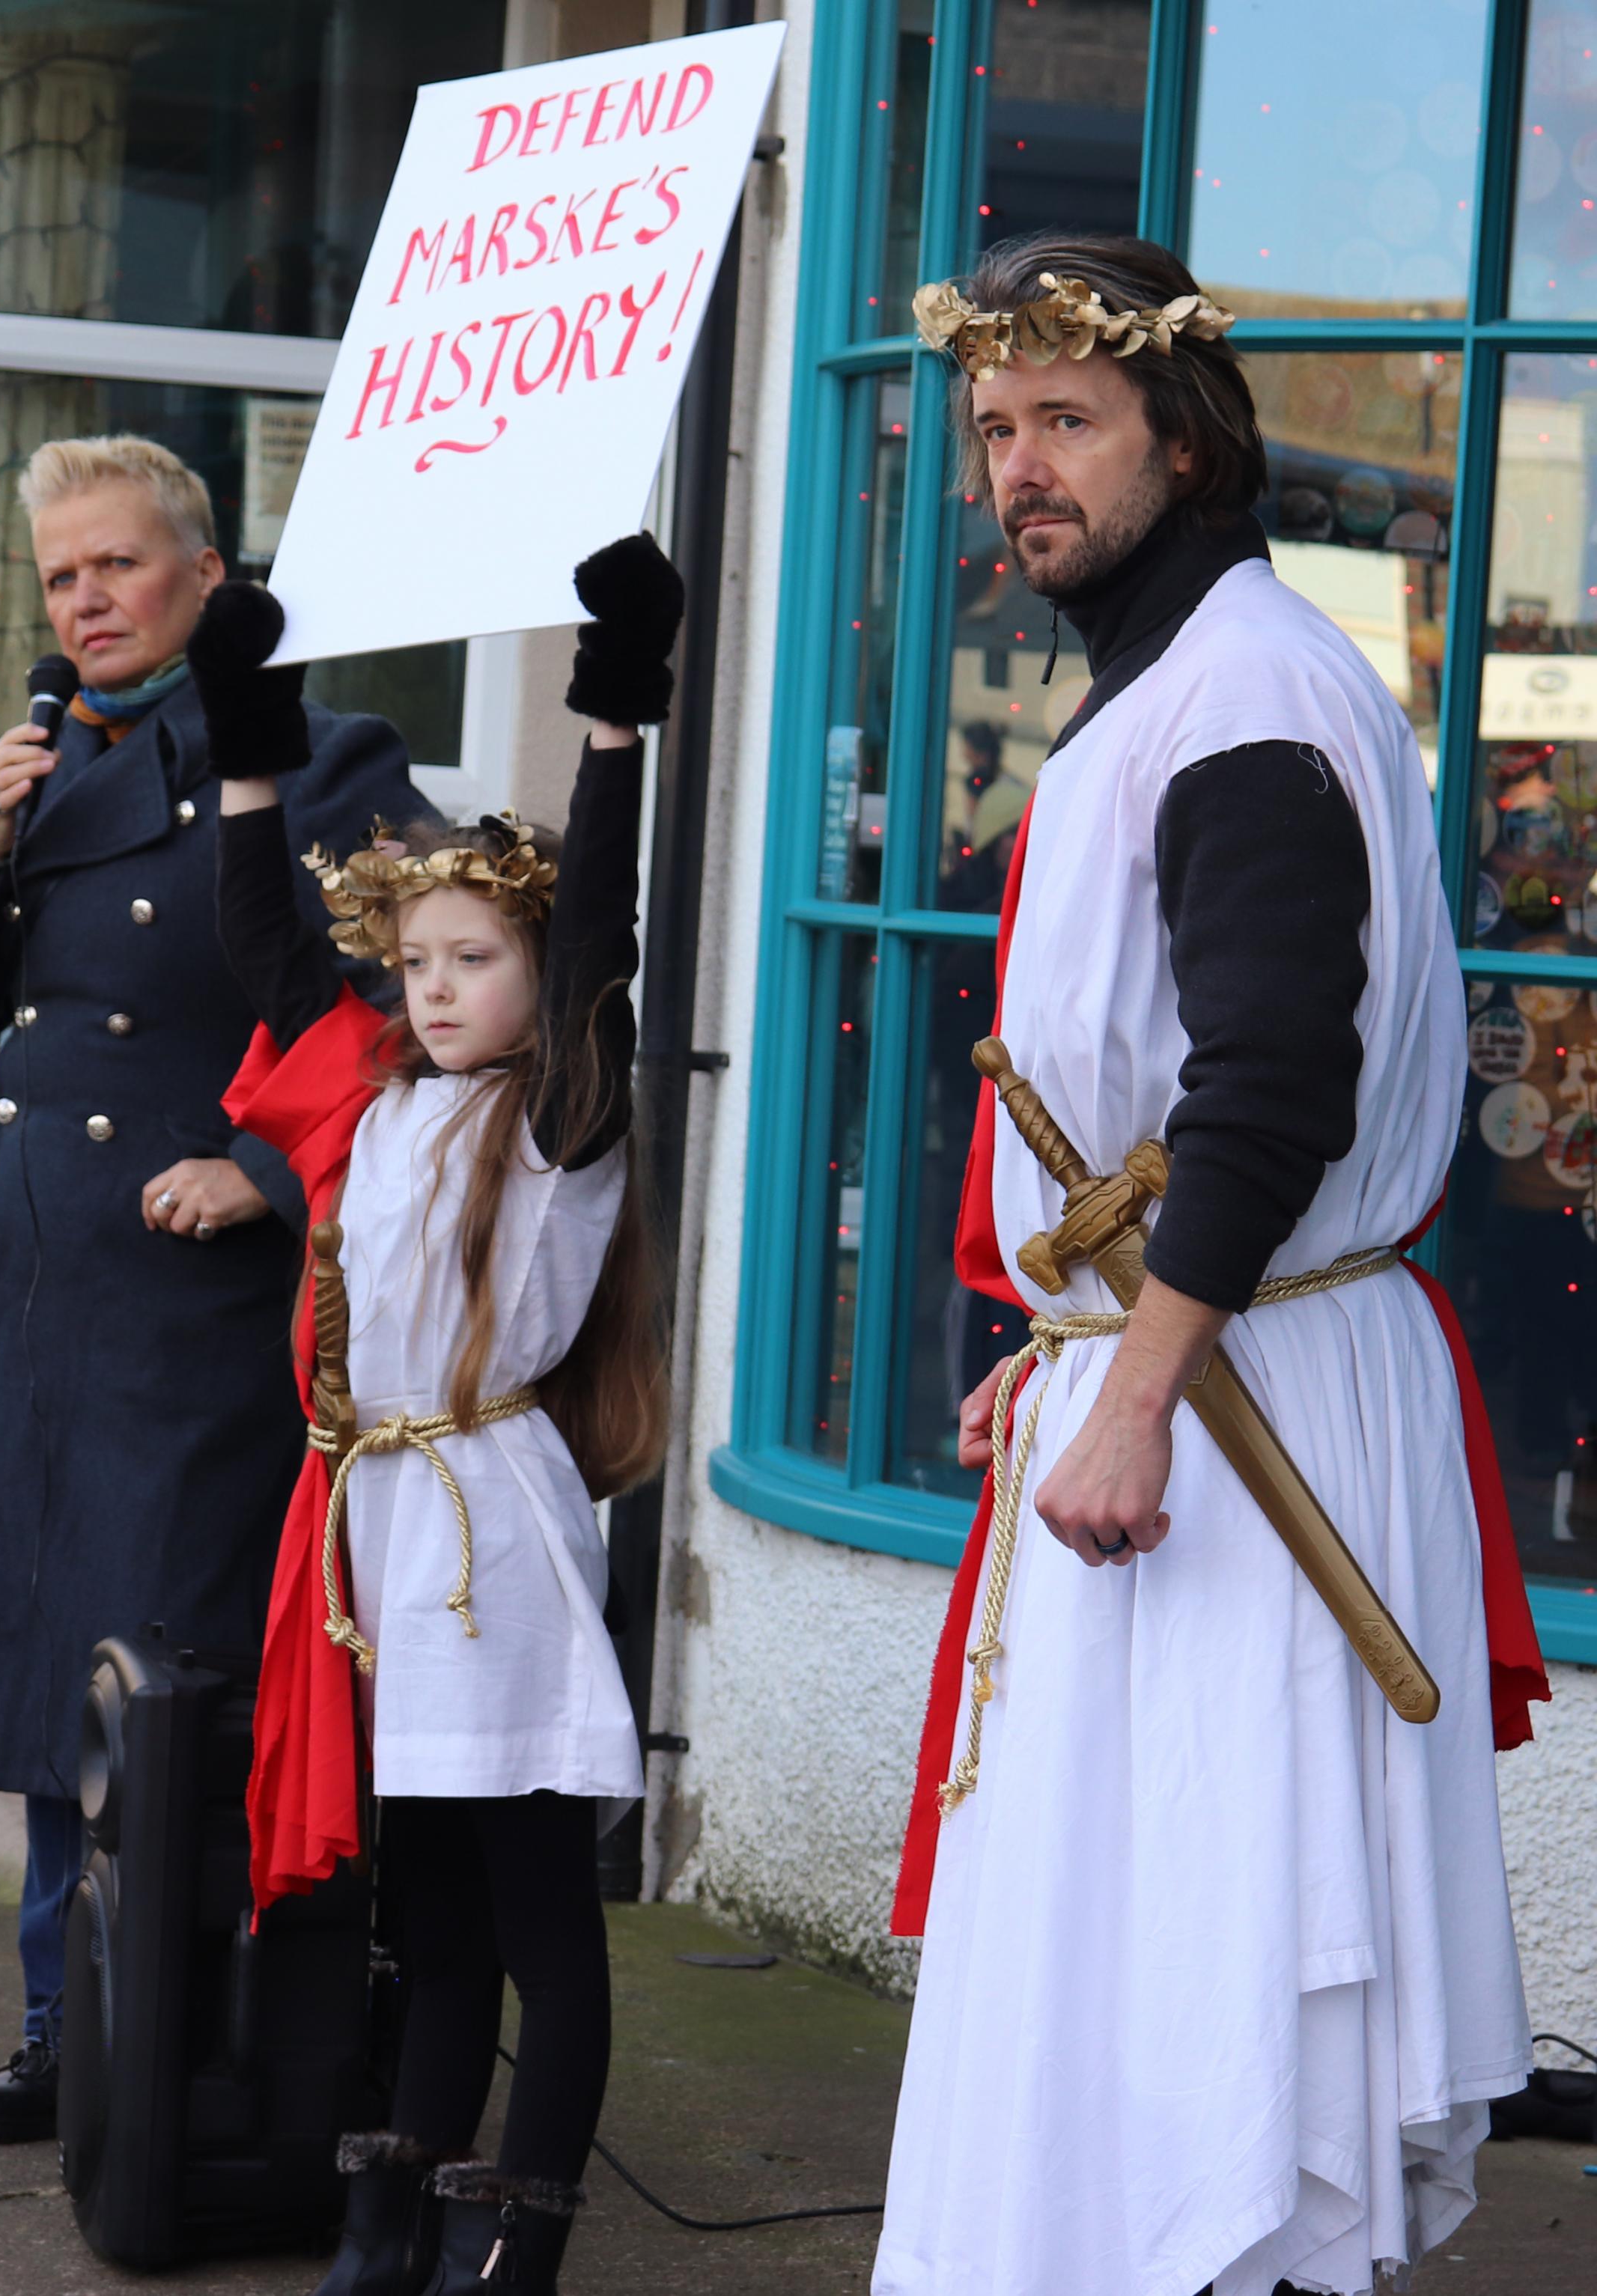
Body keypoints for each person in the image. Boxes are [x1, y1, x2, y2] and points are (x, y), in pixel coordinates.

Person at [876, 238, 1550, 2296]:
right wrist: (1070, 1344)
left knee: (1205, 1962)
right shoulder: (1185, 685)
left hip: (1249, 1417)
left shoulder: (1248, 699)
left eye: (1066, 421)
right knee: (1136, 1947)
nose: (1020, 468)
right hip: (1204, 1367)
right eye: (996, 431)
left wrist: (1140, 1385)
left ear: (1187, 436)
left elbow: (1271, 1087)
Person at [0, 436, 434, 2143]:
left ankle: (198, 2040)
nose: (86, 600)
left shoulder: (314, 758)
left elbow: (444, 991)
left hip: (187, 1306)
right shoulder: (41, 772)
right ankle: (63, 2023)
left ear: (206, 578)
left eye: (117, 565)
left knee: (167, 1682)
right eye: (60, 578)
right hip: (28, 1276)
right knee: (51, 1680)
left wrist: (263, 1167)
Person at [212, 534, 681, 2296]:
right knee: (433, 1909)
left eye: (470, 956)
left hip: (497, 1524)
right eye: (414, 960)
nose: (430, 986)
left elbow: (606, 944)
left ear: (531, 969)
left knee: (543, 1911)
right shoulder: (388, 1108)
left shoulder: (554, 1114)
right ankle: (389, 2214)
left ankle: (523, 2239)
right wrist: (246, 732)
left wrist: (616, 711)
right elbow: (266, 951)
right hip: (389, 1534)